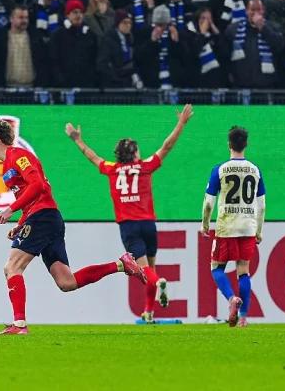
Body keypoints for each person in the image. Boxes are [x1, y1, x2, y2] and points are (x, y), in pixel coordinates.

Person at [0, 119, 147, 335]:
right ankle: (120, 264)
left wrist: (10, 209)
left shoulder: (19, 156)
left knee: (12, 267)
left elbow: (38, 185)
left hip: (43, 217)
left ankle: (20, 325)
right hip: (45, 218)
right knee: (66, 282)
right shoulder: (7, 164)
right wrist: (21, 223)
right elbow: (30, 194)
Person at [64, 104, 194, 323]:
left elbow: (93, 157)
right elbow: (167, 146)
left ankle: (156, 288)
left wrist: (77, 139)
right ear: (134, 154)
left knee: (145, 272)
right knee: (150, 267)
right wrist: (181, 122)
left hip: (128, 226)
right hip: (148, 223)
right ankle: (149, 311)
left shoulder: (111, 169)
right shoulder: (145, 166)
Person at [199, 126, 266, 328]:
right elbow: (261, 205)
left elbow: (209, 203)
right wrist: (259, 231)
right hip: (247, 227)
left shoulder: (219, 170)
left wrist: (205, 225)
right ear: (246, 144)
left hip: (226, 227)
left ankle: (231, 299)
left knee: (216, 268)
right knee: (243, 271)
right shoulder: (255, 170)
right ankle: (243, 318)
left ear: (229, 145)